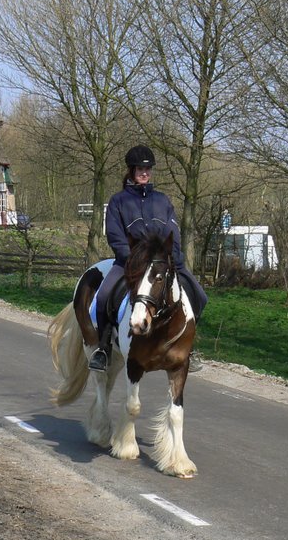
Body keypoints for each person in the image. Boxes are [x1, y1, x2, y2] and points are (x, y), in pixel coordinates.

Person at [85, 144, 207, 372]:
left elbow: (174, 233)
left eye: (148, 168)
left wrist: (174, 258)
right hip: (130, 263)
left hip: (162, 264)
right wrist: (133, 259)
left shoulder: (162, 201)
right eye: (140, 168)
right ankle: (103, 348)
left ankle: (188, 347)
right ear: (131, 170)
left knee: (199, 296)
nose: (145, 172)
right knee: (103, 298)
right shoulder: (118, 202)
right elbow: (114, 235)